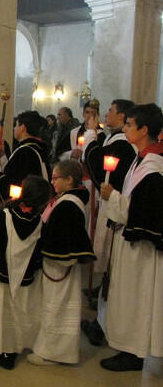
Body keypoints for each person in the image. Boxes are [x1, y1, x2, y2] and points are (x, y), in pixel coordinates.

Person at [99, 103, 163, 372]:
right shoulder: (141, 159)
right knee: (127, 295)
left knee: (138, 297)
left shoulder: (154, 169)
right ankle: (128, 347)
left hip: (143, 251)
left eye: (129, 124)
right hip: (129, 243)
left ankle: (134, 351)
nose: (124, 128)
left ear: (144, 129)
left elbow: (143, 212)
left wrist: (111, 196)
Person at [0, 175, 50, 370]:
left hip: (1, 273)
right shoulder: (40, 222)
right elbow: (39, 252)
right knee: (17, 314)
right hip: (25, 277)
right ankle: (12, 350)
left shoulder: (4, 215)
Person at [80, 99, 137, 344]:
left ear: (123, 117)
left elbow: (96, 165)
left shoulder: (123, 145)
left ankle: (104, 326)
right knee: (109, 272)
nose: (106, 113)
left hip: (117, 212)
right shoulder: (117, 139)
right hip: (111, 207)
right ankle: (101, 322)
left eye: (111, 111)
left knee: (112, 271)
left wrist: (92, 135)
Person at [29, 160, 95, 366]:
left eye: (56, 178)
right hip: (56, 265)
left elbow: (64, 237)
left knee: (57, 306)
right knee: (53, 305)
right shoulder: (64, 200)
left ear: (69, 179)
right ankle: (51, 348)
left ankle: (53, 353)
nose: (52, 182)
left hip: (59, 266)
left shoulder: (68, 205)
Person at [0, 110, 51, 203]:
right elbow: (14, 172)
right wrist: (2, 155)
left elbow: (15, 187)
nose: (14, 128)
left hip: (23, 207)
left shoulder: (25, 151)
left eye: (16, 125)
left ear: (23, 127)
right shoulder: (37, 148)